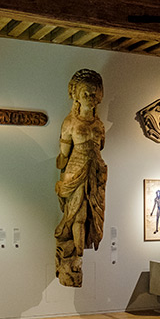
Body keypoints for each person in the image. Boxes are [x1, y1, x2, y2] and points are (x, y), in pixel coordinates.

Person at [54, 69, 107, 287]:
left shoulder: (99, 125)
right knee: (75, 214)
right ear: (76, 94)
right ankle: (74, 254)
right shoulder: (69, 123)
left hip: (95, 172)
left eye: (94, 93)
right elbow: (64, 155)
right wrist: (62, 174)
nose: (90, 96)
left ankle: (80, 252)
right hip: (75, 171)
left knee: (90, 217)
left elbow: (100, 148)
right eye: (86, 92)